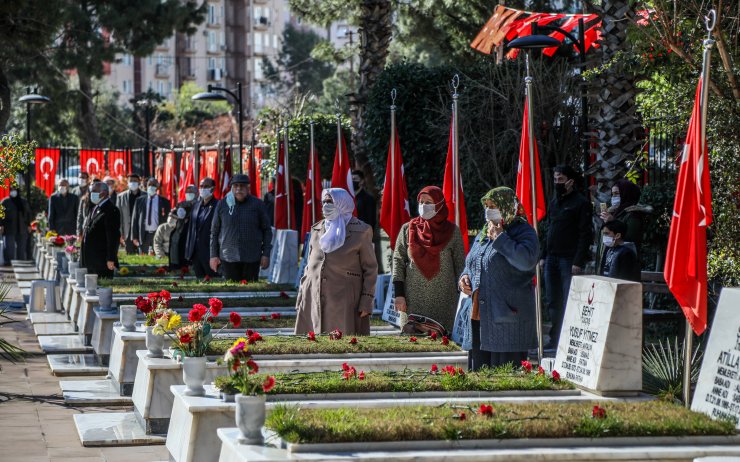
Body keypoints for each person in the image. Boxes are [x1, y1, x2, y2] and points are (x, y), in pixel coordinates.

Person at [459, 187, 539, 371]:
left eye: (493, 206)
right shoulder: (485, 231)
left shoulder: (523, 231)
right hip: (479, 317)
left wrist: (500, 238)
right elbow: (472, 260)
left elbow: (526, 261)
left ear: (506, 206)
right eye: (486, 206)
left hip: (508, 318)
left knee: (504, 377)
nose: (488, 210)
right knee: (478, 377)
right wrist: (464, 277)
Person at [294, 188, 377, 335]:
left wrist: (366, 302)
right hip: (312, 295)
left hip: (345, 299)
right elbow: (309, 265)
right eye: (324, 202)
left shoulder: (362, 230)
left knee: (342, 343)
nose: (326, 206)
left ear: (342, 203)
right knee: (312, 344)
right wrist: (301, 296)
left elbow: (370, 269)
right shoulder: (317, 229)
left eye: (330, 201)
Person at [392, 186, 465, 332]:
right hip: (413, 300)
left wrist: (463, 298)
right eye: (421, 202)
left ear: (439, 204)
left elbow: (460, 266)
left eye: (428, 202)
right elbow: (398, 261)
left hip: (445, 301)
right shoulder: (408, 229)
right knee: (413, 344)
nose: (424, 206)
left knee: (444, 346)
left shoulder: (452, 231)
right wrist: (399, 294)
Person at [540, 165, 592, 350]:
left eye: (560, 180)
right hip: (552, 258)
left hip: (568, 260)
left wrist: (578, 261)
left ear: (571, 181)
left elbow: (585, 234)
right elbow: (549, 230)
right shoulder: (554, 202)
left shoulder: (581, 203)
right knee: (552, 300)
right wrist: (543, 255)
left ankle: (569, 338)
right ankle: (555, 338)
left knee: (568, 299)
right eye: (555, 180)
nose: (557, 183)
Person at [210, 174, 272, 282]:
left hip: (252, 257)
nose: (239, 189)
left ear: (248, 187)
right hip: (228, 257)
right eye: (235, 186)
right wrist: (213, 255)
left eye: (242, 186)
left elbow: (267, 230)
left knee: (251, 294)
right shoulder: (222, 204)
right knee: (231, 294)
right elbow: (214, 232)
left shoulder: (258, 205)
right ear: (231, 188)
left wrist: (266, 254)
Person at [80, 182, 121, 278]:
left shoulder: (111, 210)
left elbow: (113, 237)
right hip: (90, 259)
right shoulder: (94, 207)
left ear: (103, 193)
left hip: (101, 262)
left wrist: (111, 258)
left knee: (101, 289)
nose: (91, 194)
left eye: (94, 191)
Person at [185, 177, 219, 278]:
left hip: (210, 253)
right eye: (201, 186)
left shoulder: (218, 205)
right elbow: (191, 229)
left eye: (206, 186)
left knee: (214, 282)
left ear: (212, 189)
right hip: (196, 253)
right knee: (199, 282)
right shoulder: (196, 205)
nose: (203, 189)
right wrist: (188, 251)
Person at [131, 177, 171, 254]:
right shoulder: (139, 201)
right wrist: (134, 237)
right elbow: (135, 219)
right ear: (146, 186)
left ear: (157, 187)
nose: (151, 187)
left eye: (154, 185)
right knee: (144, 260)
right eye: (149, 185)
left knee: (158, 258)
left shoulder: (165, 202)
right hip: (143, 234)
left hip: (158, 235)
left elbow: (167, 221)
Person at [0, 187, 32, 262]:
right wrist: (1, 225)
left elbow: (28, 214)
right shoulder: (5, 202)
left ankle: (21, 264)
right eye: (11, 190)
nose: (13, 192)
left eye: (14, 190)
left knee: (21, 249)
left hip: (22, 228)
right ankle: (8, 264)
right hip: (9, 229)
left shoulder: (23, 202)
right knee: (9, 249)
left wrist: (29, 225)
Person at [116, 173, 143, 254]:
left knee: (142, 255)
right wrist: (120, 233)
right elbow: (118, 216)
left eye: (135, 181)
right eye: (131, 181)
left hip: (141, 230)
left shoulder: (145, 195)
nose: (133, 183)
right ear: (127, 183)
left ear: (139, 182)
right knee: (129, 255)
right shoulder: (121, 197)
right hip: (127, 231)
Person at [167, 201, 192, 270]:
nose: (180, 211)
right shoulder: (177, 225)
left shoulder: (190, 226)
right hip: (174, 264)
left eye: (183, 209)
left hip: (185, 265)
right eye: (179, 209)